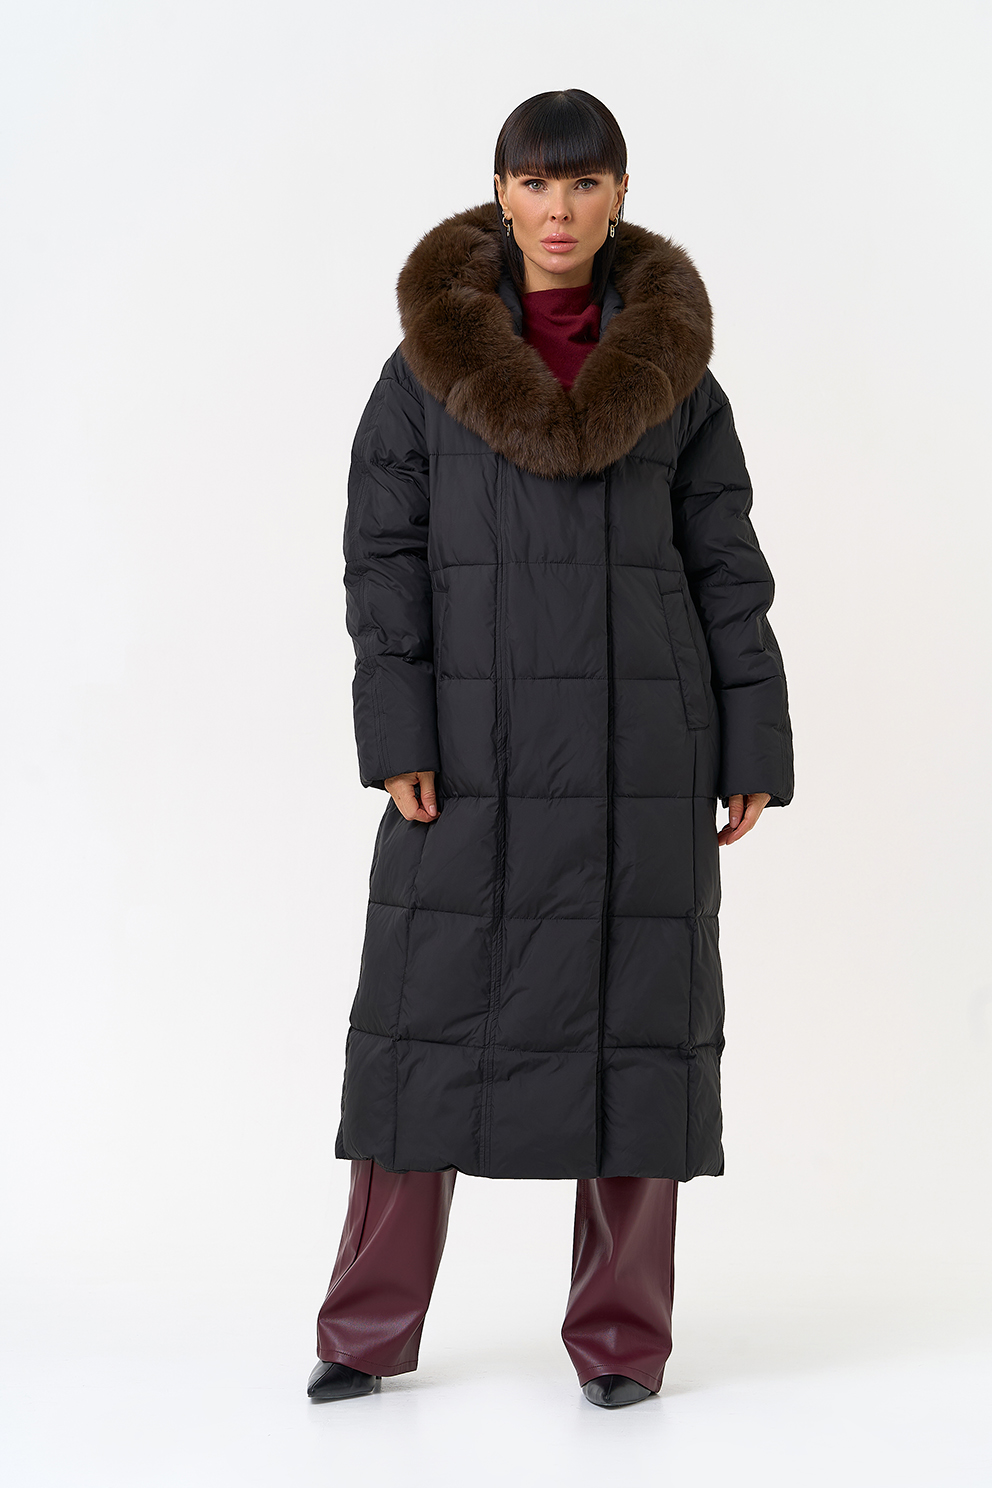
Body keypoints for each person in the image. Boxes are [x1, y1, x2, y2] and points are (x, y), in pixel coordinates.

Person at [308, 89, 794, 1410]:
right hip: (472, 754)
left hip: (645, 755)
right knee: (419, 1039)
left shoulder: (678, 380)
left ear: (619, 194)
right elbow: (383, 561)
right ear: (501, 194)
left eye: (583, 183)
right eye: (535, 182)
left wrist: (750, 735)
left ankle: (623, 1343)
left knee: (638, 1048)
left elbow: (726, 565)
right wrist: (397, 731)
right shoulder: (422, 372)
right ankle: (364, 1331)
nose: (559, 209)